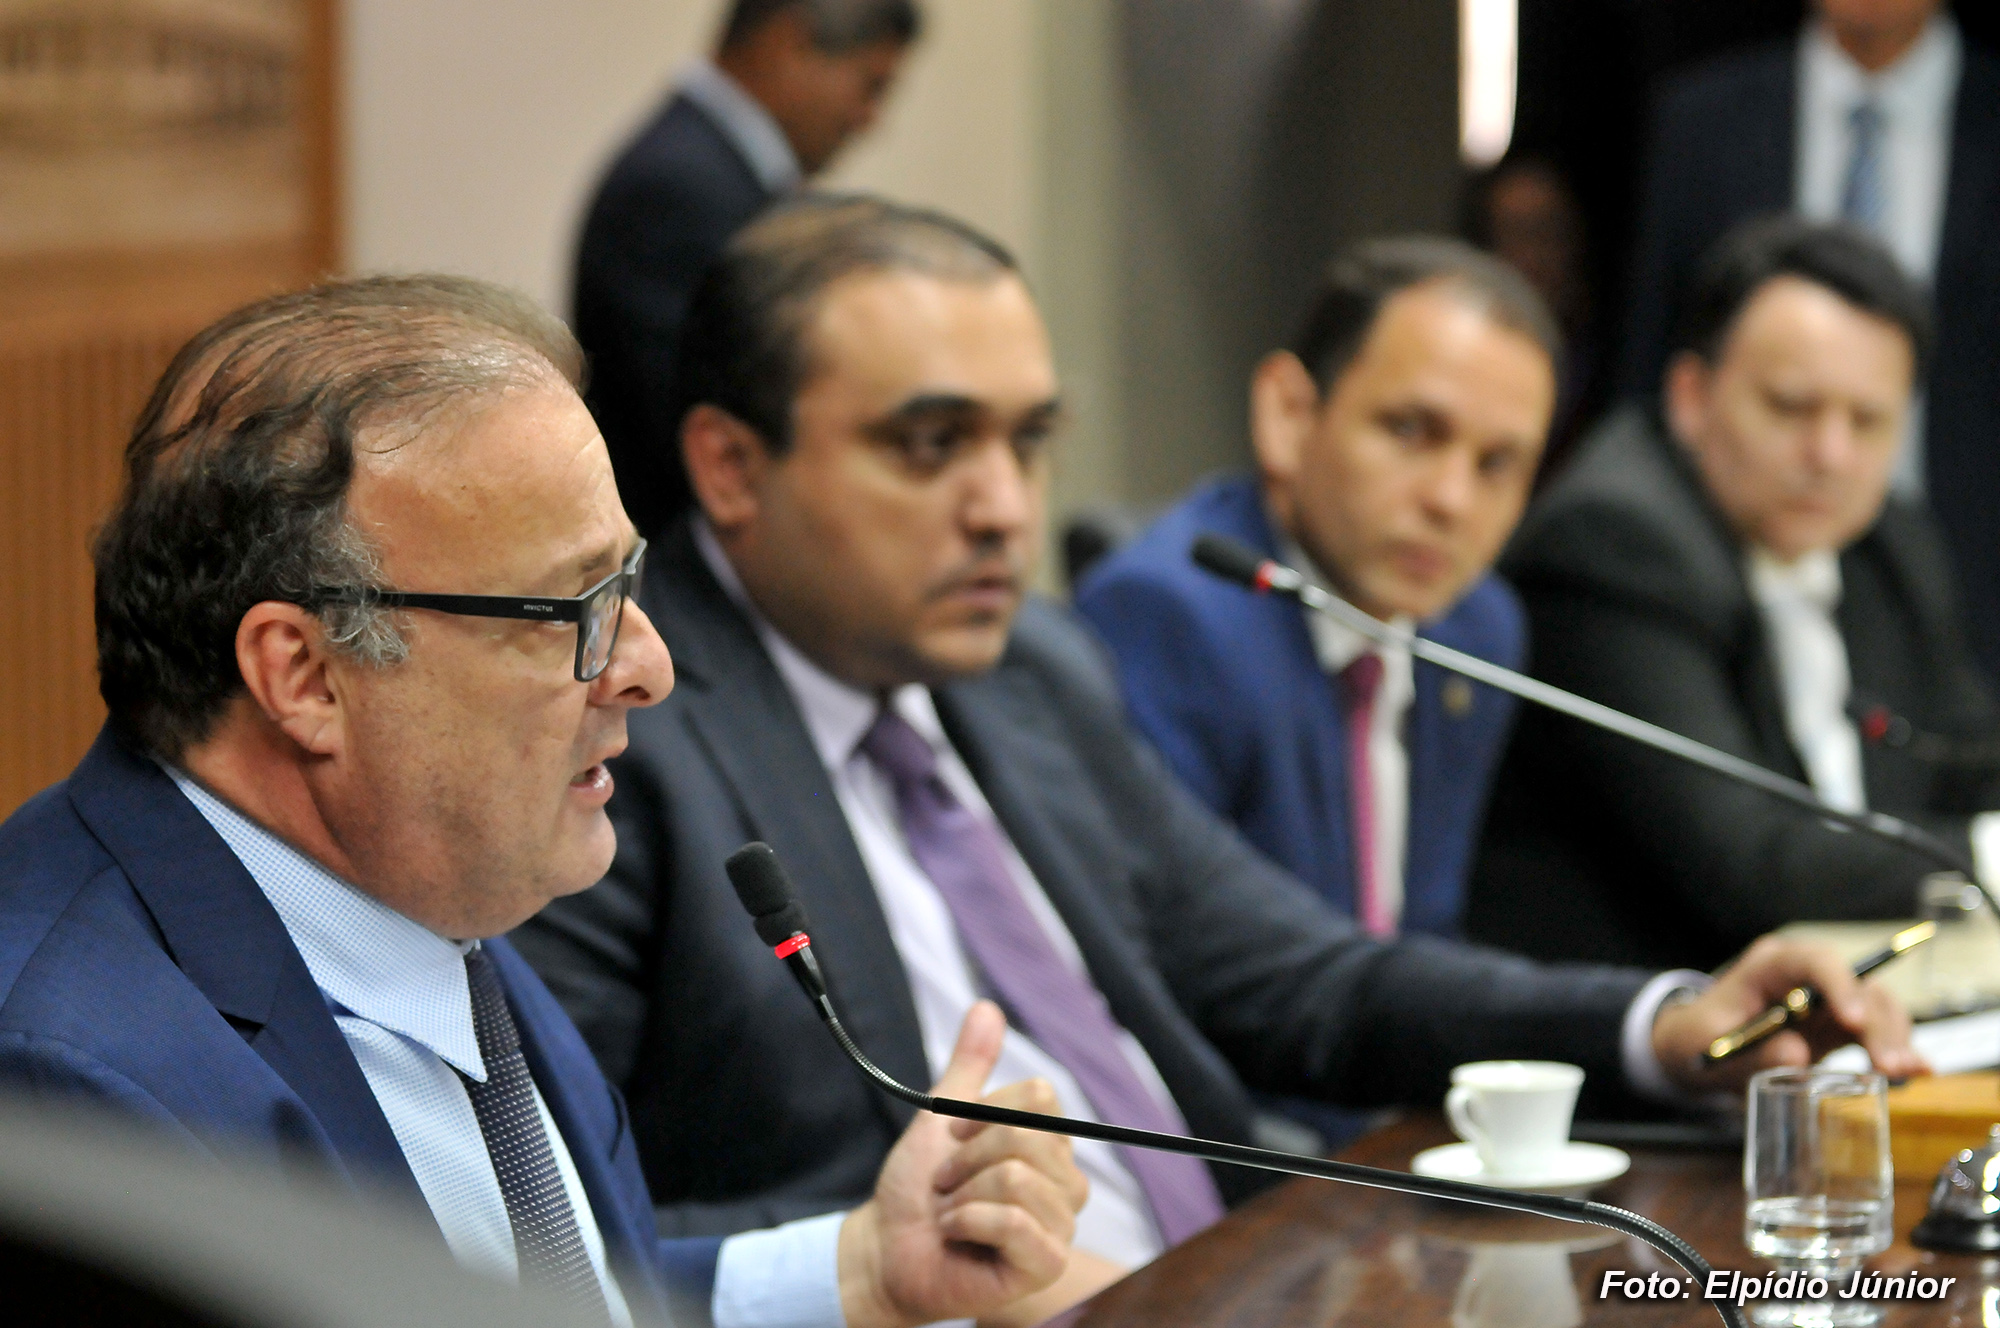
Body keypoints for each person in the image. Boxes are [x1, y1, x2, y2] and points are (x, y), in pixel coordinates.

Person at [514, 196, 1920, 1304]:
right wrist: (867, 1263)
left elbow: (1304, 976)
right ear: (731, 466)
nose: (1003, 508)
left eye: (1028, 442)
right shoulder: (613, 747)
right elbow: (548, 1231)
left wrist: (1668, 1023)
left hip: (1251, 1272)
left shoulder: (1030, 673)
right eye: (932, 444)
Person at [0, 275, 1090, 1328]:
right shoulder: (78, 1099)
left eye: (627, 582)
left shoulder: (413, 887)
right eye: (573, 608)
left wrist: (857, 1272)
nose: (649, 667)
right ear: (305, 674)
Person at [1471, 217, 2000, 972]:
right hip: (1657, 1010)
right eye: (1791, 407)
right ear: (1692, 396)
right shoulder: (1615, 542)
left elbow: (1970, 757)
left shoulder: (1889, 542)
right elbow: (1747, 862)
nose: (1830, 455)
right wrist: (1988, 854)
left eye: (1867, 421)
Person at [1076, 238, 1552, 940]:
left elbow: (1428, 930)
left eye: (1497, 464)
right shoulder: (1173, 616)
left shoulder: (1476, 629)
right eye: (1411, 430)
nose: (1451, 500)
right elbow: (1188, 956)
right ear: (1290, 414)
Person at [1617, 0, 2000, 675]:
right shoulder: (1705, 118)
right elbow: (1651, 355)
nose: (1831, 451)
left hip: (1970, 578)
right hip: (1732, 576)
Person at [573, 0, 921, 539]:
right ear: (790, 42)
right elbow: (702, 413)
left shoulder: (709, 171)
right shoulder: (679, 187)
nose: (869, 119)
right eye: (872, 85)